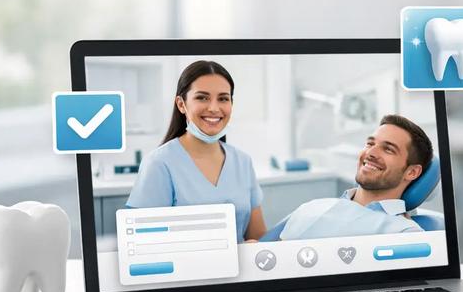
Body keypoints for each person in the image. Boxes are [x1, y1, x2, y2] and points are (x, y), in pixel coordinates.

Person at [126, 60, 266, 243]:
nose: (214, 108)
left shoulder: (243, 162)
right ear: (181, 104)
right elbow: (143, 244)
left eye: (223, 98)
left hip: (242, 263)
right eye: (202, 98)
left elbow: (258, 237)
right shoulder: (159, 164)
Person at [276, 114, 433, 240]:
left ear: (412, 172)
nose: (370, 153)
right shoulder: (312, 207)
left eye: (388, 149)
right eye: (370, 144)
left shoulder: (405, 233)